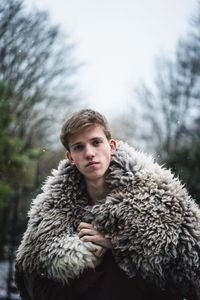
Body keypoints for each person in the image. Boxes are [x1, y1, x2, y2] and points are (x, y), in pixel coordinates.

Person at [15, 109, 200, 300]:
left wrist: (119, 244)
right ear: (70, 158)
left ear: (111, 146)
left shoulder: (162, 200)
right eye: (78, 147)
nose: (89, 153)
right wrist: (90, 264)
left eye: (96, 143)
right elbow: (39, 293)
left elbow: (181, 282)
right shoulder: (49, 215)